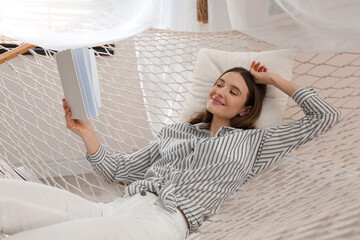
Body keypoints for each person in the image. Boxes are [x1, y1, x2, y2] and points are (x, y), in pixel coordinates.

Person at [0, 61, 341, 240]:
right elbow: (118, 171)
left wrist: (273, 80)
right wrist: (86, 133)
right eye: (219, 83)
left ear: (245, 110)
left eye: (234, 91)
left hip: (160, 222)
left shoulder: (255, 144)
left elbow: (326, 116)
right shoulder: (175, 132)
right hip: (114, 209)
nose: (220, 91)